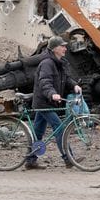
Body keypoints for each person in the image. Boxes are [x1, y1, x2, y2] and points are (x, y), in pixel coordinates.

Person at [25, 35, 82, 170]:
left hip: (49, 102)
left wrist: (74, 85)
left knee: (38, 132)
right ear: (55, 48)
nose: (65, 49)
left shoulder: (59, 62)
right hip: (44, 102)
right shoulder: (47, 63)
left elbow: (66, 78)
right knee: (59, 128)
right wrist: (52, 94)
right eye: (62, 46)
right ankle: (68, 159)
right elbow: (45, 82)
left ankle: (30, 160)